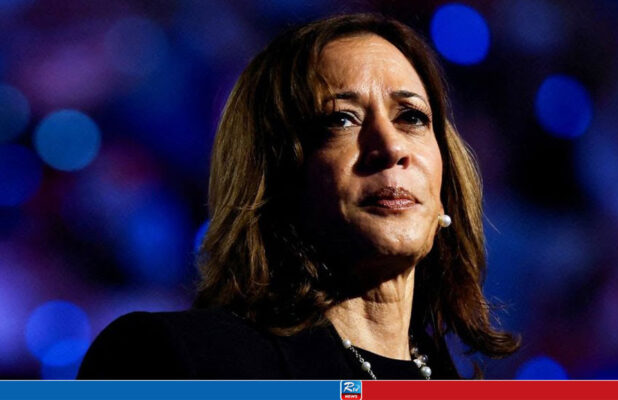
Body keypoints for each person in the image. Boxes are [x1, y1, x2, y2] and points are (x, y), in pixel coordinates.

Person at [77, 13, 519, 380]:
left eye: (412, 117)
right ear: (272, 176)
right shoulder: (172, 359)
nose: (391, 147)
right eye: (341, 119)